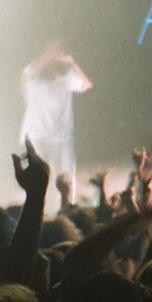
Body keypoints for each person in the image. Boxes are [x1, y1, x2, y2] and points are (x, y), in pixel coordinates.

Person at [21, 38, 91, 194]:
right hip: (37, 135)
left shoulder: (66, 77)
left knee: (66, 180)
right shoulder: (33, 73)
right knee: (35, 179)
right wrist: (49, 54)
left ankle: (66, 210)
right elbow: (32, 72)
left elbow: (86, 85)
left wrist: (72, 63)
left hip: (62, 136)